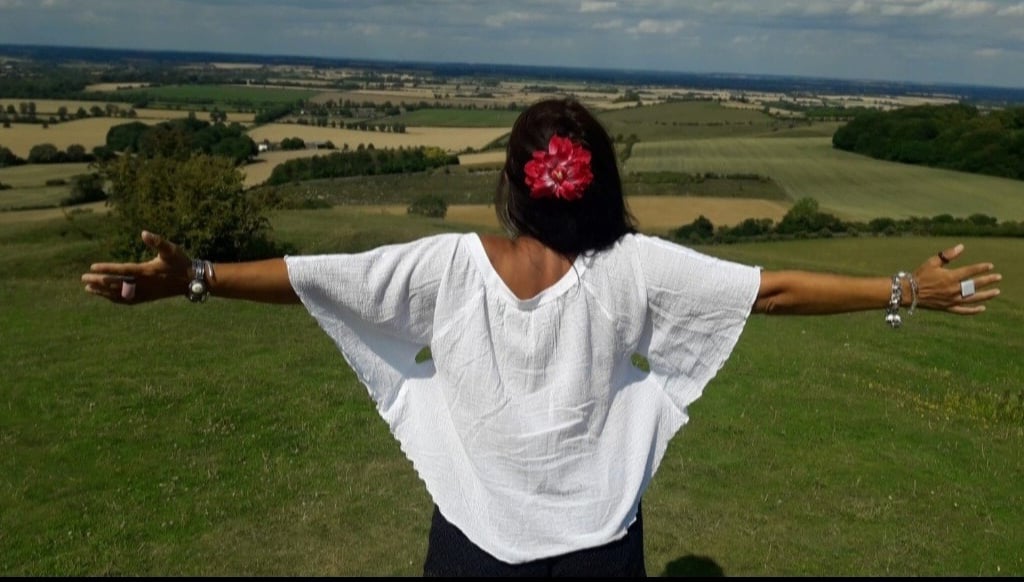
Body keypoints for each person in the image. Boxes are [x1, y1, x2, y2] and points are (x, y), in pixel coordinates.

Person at [82, 98, 1001, 577]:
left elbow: (317, 276)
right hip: (604, 542)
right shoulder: (635, 266)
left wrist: (193, 277)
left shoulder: (448, 265)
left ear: (513, 189)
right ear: (598, 185)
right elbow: (776, 290)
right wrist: (903, 287)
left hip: (474, 544)